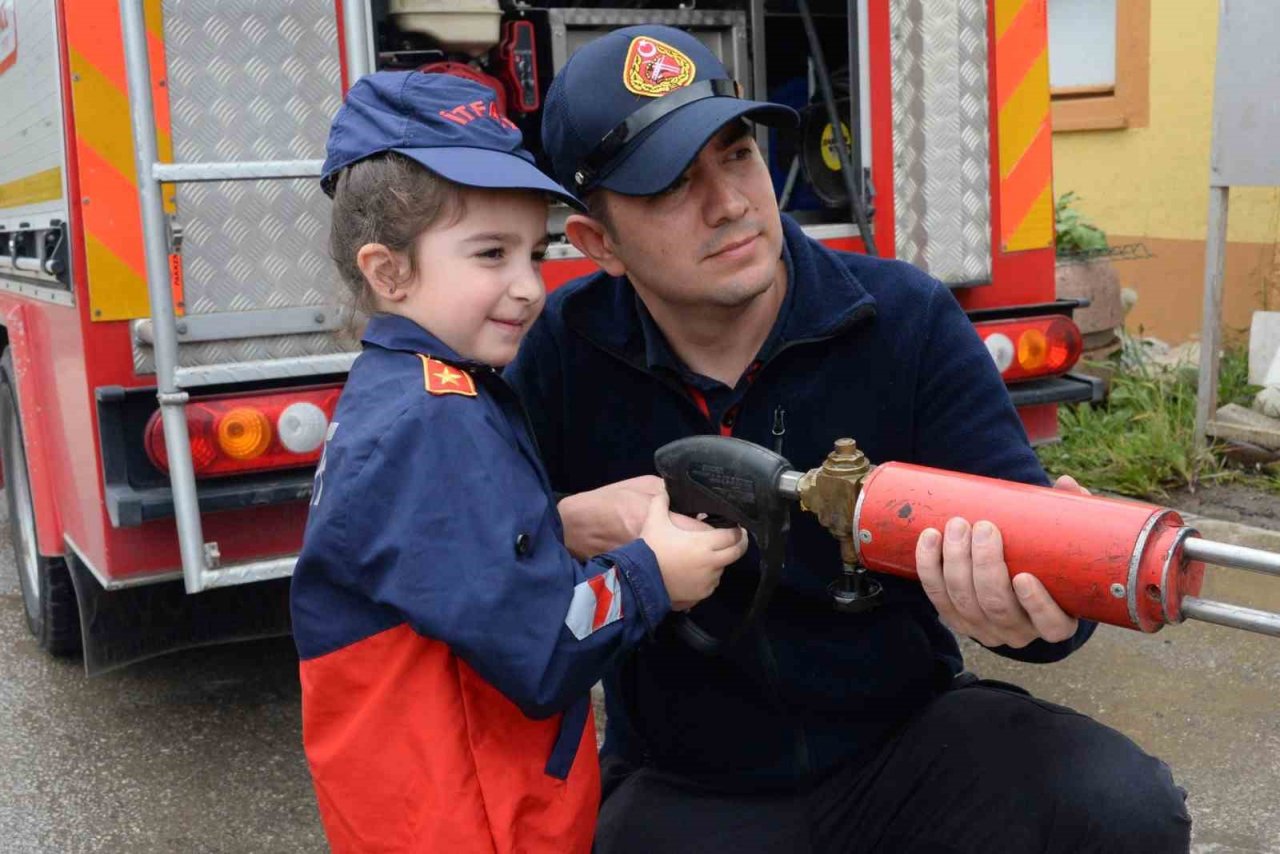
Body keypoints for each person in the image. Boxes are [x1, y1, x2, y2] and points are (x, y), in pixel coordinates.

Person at [505, 25, 1192, 853]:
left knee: (1119, 805)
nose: (730, 204)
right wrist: (569, 524)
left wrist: (1035, 614)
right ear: (598, 243)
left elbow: (1043, 585)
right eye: (672, 185)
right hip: (690, 782)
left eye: (737, 155)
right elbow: (474, 571)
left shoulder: (903, 319)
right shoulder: (561, 355)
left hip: (904, 750)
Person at [289, 69, 748, 854]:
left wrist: (558, 525)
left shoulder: (402, 392)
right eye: (491, 254)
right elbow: (540, 646)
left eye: (534, 253)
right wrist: (652, 573)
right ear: (388, 271)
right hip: (476, 829)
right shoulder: (433, 421)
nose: (530, 287)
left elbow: (450, 572)